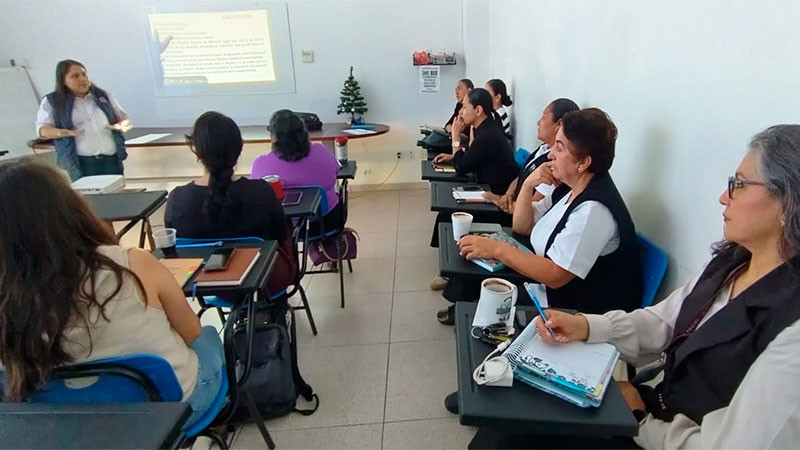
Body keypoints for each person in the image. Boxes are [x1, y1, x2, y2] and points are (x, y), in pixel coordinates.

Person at [476, 124, 800, 449]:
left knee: (520, 436)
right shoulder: (731, 262)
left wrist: (639, 421)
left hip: (661, 434)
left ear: (787, 201)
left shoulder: (792, 327)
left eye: (738, 185)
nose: (723, 196)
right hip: (654, 409)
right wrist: (586, 325)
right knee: (509, 429)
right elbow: (663, 322)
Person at [0, 160, 222, 426]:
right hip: (170, 413)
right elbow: (193, 333)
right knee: (209, 338)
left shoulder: (7, 299)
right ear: (69, 207)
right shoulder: (133, 264)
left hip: (60, 426)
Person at [445, 108, 642, 321]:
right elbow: (522, 226)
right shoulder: (568, 188)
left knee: (486, 296)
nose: (550, 155)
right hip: (550, 289)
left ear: (583, 162)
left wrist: (497, 249)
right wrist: (529, 183)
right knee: (471, 280)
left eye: (559, 147)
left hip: (577, 310)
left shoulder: (594, 209)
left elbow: (555, 276)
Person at [165, 111, 296, 294]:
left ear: (197, 152)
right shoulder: (261, 191)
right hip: (263, 278)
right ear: (239, 149)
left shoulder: (177, 199)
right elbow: (280, 237)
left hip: (203, 285)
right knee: (287, 225)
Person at [36, 59, 132, 181]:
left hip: (111, 159)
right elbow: (42, 130)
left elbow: (125, 120)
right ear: (63, 80)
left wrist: (121, 125)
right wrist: (63, 132)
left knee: (116, 195)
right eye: (75, 76)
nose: (82, 79)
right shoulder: (53, 101)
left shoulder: (103, 96)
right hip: (81, 162)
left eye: (84, 74)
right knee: (88, 198)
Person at [251, 109, 344, 233]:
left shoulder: (260, 164)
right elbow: (336, 171)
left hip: (284, 230)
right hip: (325, 223)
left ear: (273, 137)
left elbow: (257, 197)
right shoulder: (321, 151)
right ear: (304, 133)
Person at [484, 98, 580, 215]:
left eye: (544, 117)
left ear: (559, 124)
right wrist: (509, 193)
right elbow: (522, 174)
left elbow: (530, 211)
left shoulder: (554, 164)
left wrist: (496, 200)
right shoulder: (544, 148)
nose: (538, 122)